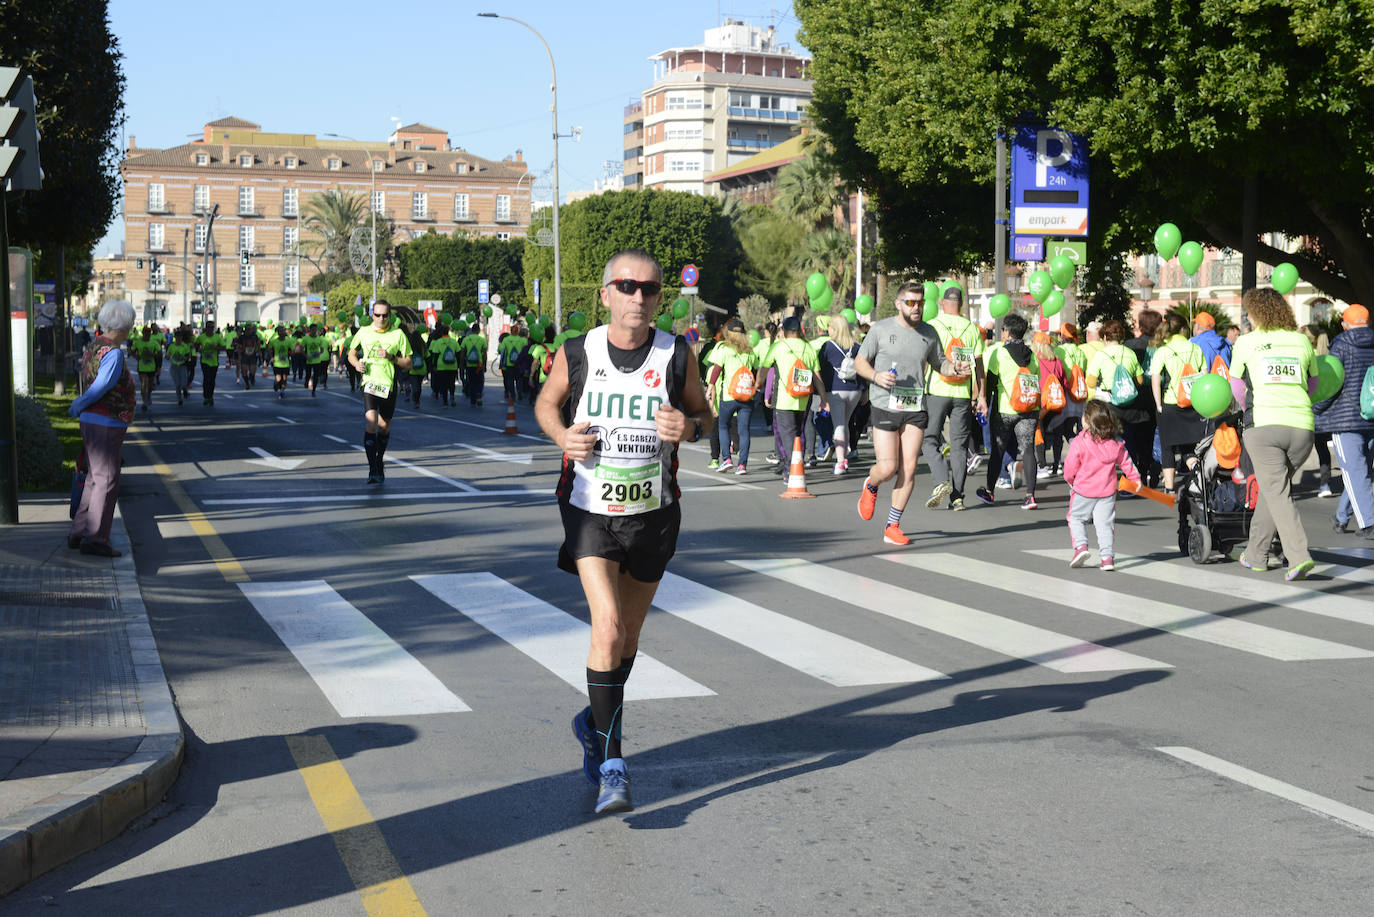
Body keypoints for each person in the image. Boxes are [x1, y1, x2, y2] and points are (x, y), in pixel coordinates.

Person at [535, 249, 712, 815]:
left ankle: (593, 720)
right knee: (607, 627)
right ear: (606, 293)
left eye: (651, 289)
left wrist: (688, 426)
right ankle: (614, 765)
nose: (639, 297)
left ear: (661, 298)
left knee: (628, 639)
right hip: (589, 506)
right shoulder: (578, 351)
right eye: (627, 286)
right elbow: (545, 403)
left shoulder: (675, 354)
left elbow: (706, 416)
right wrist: (564, 437)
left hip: (654, 511)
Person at [855, 282, 959, 543]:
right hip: (884, 403)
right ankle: (871, 483)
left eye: (921, 303)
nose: (917, 307)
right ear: (899, 304)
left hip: (915, 406)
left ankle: (892, 525)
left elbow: (940, 363)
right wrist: (876, 376)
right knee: (888, 468)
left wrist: (954, 368)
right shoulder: (880, 329)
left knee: (909, 468)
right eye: (911, 302)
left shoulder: (929, 332)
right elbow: (860, 362)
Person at [1229, 287, 1320, 580]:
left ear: (1255, 313)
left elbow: (1237, 388)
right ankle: (1256, 554)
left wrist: (1248, 410)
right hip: (1302, 428)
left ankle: (1298, 556)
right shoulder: (1302, 341)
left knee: (1277, 492)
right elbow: (1313, 384)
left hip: (1264, 426)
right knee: (1275, 490)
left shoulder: (1246, 342)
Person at [67, 301, 137, 557]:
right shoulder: (114, 353)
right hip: (106, 421)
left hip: (91, 421)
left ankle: (79, 531)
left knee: (94, 478)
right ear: (126, 325)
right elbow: (101, 387)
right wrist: (78, 404)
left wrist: (80, 408)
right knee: (107, 480)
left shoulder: (93, 347)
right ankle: (96, 538)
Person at [920, 285, 986, 508]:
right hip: (962, 393)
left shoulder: (933, 326)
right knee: (959, 447)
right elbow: (979, 365)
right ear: (962, 303)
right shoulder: (971, 328)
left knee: (929, 440)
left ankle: (941, 481)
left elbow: (925, 361)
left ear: (941, 302)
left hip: (937, 390)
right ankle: (957, 497)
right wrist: (981, 395)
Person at [1315, 304, 1374, 537]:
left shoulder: (1340, 345)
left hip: (1345, 419)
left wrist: (1315, 409)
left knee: (1354, 471)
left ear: (1344, 323)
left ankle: (1369, 523)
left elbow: (1331, 384)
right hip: (1371, 415)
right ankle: (1341, 518)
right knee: (1360, 471)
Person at [1063, 400, 1141, 571]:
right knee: (1105, 524)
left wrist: (1069, 479)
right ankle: (1107, 558)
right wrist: (1135, 479)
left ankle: (1081, 547)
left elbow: (1070, 466)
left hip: (1083, 489)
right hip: (1107, 490)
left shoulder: (1079, 441)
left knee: (1075, 518)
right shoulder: (1115, 443)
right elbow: (1126, 462)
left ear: (1087, 420)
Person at [978, 313, 1042, 509]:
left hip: (1005, 409)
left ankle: (989, 492)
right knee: (1028, 449)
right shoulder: (1032, 356)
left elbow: (990, 381)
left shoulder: (1000, 353)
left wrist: (985, 402)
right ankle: (1030, 496)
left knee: (998, 451)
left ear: (1006, 332)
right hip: (1029, 409)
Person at [348, 300, 414, 484]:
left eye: (385, 315)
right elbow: (351, 353)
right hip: (369, 383)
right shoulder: (364, 332)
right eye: (377, 315)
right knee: (371, 424)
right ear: (372, 315)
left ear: (390, 316)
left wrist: (392, 357)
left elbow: (408, 363)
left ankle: (379, 460)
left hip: (388, 386)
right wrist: (356, 364)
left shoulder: (398, 334)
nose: (381, 318)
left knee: (384, 427)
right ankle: (372, 469)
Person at [1085, 319, 1151, 483]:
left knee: (1106, 441)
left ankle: (1106, 478)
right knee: (1130, 440)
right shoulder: (1130, 353)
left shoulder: (1101, 355)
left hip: (1109, 404)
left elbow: (1091, 382)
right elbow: (1140, 380)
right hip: (1130, 403)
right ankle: (1135, 475)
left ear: (1105, 337)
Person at [1149, 313, 1209, 492]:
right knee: (1189, 447)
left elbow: (1156, 379)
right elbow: (1204, 375)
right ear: (1183, 329)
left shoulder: (1163, 351)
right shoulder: (1195, 348)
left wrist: (1158, 405)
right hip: (1192, 404)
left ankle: (1169, 488)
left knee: (1168, 446)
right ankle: (1198, 478)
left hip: (1169, 403)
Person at [764, 315, 829, 480]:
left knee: (787, 434)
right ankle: (797, 466)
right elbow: (817, 377)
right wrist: (823, 399)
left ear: (784, 331)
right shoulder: (808, 348)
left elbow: (765, 369)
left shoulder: (778, 346)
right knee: (798, 433)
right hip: (803, 398)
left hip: (785, 399)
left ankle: (790, 469)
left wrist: (759, 385)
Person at [705, 317, 757, 474]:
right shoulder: (750, 352)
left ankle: (726, 459)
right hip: (747, 397)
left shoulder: (724, 349)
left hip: (728, 396)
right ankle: (742, 465)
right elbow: (754, 372)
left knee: (722, 426)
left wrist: (710, 388)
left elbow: (716, 370)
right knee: (744, 430)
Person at [817, 314, 864, 475]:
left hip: (835, 390)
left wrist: (821, 395)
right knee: (845, 422)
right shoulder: (857, 347)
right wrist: (865, 390)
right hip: (855, 390)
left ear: (835, 329)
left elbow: (820, 371)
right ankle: (844, 457)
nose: (827, 329)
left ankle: (840, 463)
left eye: (829, 326)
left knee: (839, 425)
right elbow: (863, 368)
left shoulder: (827, 347)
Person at [194, 321, 224, 405]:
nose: (211, 329)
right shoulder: (201, 337)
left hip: (214, 362)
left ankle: (210, 396)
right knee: (206, 379)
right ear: (206, 328)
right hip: (204, 361)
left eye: (212, 327)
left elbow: (224, 347)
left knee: (212, 380)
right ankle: (206, 396)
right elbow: (195, 345)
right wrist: (198, 349)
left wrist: (216, 347)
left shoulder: (217, 337)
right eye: (209, 327)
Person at [132, 325, 160, 413]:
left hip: (151, 367)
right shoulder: (138, 342)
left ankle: (148, 396)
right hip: (142, 366)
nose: (147, 335)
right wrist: (136, 357)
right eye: (146, 333)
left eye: (149, 333)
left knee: (150, 385)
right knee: (143, 384)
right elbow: (132, 351)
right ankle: (144, 401)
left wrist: (152, 355)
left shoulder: (154, 342)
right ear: (143, 333)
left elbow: (159, 354)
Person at [166, 327, 195, 406]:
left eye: (180, 336)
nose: (178, 338)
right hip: (174, 367)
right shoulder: (171, 346)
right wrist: (168, 356)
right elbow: (167, 355)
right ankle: (179, 399)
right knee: (177, 385)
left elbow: (189, 355)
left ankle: (185, 390)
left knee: (183, 384)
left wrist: (185, 358)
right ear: (175, 337)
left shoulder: (185, 346)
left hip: (182, 366)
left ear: (182, 337)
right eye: (177, 336)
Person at [305, 323, 331, 397]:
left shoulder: (319, 339)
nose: (314, 331)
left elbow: (322, 349)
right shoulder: (306, 338)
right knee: (309, 374)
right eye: (313, 330)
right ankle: (308, 381)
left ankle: (314, 389)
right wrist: (306, 356)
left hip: (318, 359)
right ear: (310, 330)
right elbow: (302, 348)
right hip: (309, 360)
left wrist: (318, 354)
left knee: (316, 375)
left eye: (315, 330)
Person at [269, 325, 292, 399]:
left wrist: (292, 354)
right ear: (278, 333)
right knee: (279, 379)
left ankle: (282, 391)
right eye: (280, 331)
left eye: (283, 331)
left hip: (285, 363)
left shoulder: (288, 341)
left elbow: (292, 350)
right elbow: (269, 349)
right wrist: (271, 357)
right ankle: (276, 383)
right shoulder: (274, 341)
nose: (282, 332)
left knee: (284, 379)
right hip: (277, 363)